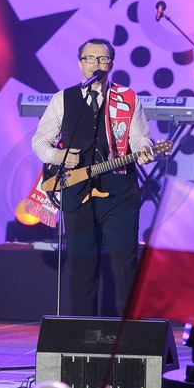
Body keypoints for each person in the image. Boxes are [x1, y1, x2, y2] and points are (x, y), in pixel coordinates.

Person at [32, 38, 154, 316]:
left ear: (111, 64)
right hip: (77, 191)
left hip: (119, 192)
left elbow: (140, 139)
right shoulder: (63, 99)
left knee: (125, 266)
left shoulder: (127, 98)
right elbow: (40, 141)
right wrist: (58, 156)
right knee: (81, 267)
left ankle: (129, 331)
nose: (96, 64)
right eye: (89, 58)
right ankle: (81, 331)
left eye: (102, 59)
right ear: (80, 63)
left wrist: (145, 151)